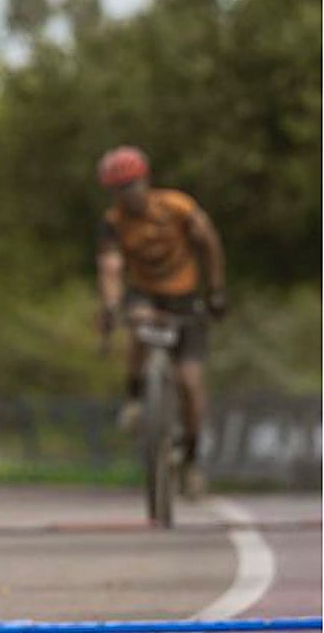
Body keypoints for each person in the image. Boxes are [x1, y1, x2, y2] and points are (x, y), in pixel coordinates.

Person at [94, 145, 227, 499]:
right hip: (144, 292)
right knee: (138, 323)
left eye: (132, 186)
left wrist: (216, 289)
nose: (127, 196)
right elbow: (111, 266)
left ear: (145, 181)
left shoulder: (177, 207)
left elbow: (208, 242)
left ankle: (193, 460)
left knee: (190, 380)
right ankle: (136, 395)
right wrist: (110, 304)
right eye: (118, 190)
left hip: (184, 294)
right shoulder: (114, 223)